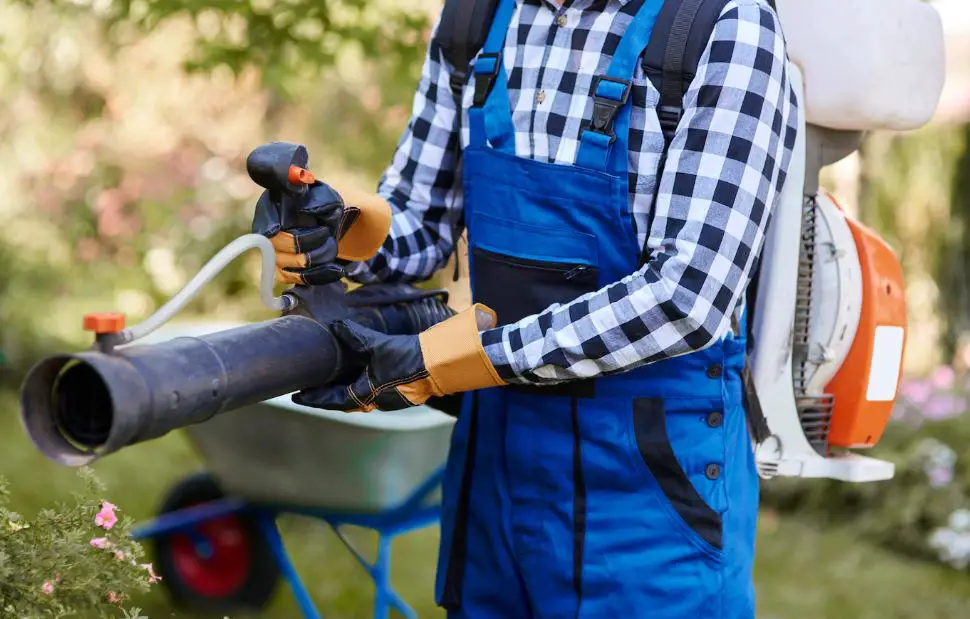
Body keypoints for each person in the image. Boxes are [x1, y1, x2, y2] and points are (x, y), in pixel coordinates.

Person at [253, 0, 798, 616]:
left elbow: (687, 295)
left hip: (650, 481)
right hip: (499, 466)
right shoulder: (476, 19)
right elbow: (422, 220)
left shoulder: (719, 26)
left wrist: (450, 360)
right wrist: (341, 234)